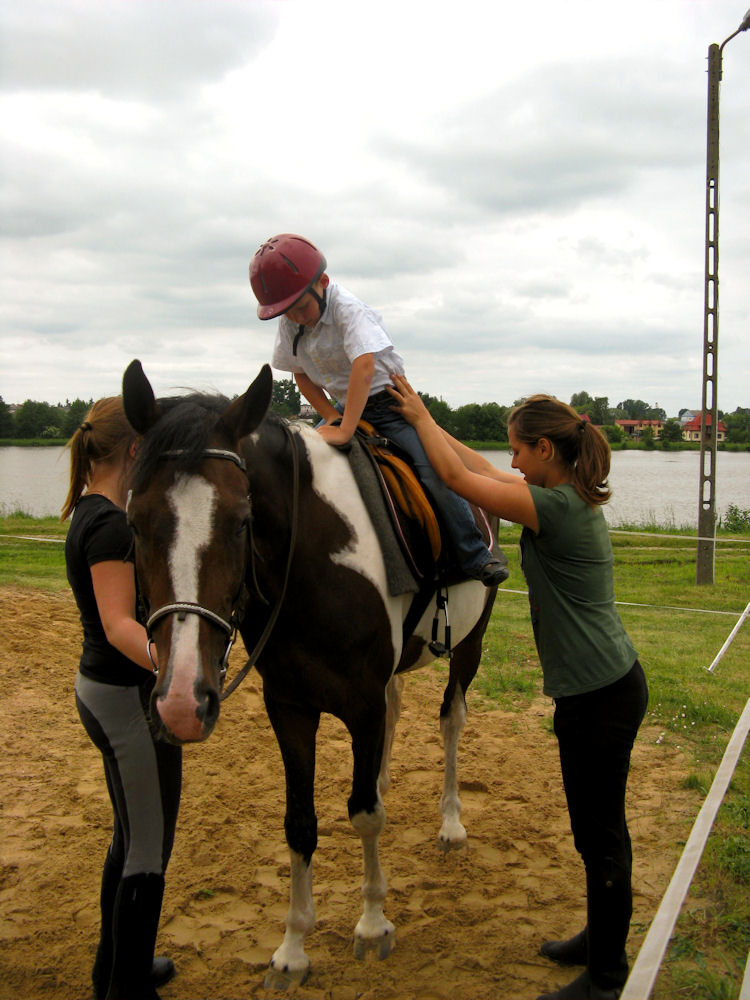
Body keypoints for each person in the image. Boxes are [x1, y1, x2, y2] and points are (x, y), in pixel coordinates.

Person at [387, 377, 648, 1000]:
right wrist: (429, 424)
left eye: (519, 451)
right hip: (597, 690)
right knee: (594, 831)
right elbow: (477, 468)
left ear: (545, 450)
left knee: (601, 834)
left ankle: (606, 977)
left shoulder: (554, 508)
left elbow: (458, 480)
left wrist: (419, 420)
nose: (512, 461)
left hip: (600, 698)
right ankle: (599, 940)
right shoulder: (561, 494)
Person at [249, 233, 507, 586]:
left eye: (301, 308)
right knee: (297, 466)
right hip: (345, 407)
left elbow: (364, 367)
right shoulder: (292, 321)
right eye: (287, 312)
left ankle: (474, 554)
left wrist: (344, 430)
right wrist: (332, 416)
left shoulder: (348, 309)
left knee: (433, 472)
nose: (297, 318)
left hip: (391, 405)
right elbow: (300, 374)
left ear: (323, 282)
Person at [62, 398, 182, 1000]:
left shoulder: (90, 511)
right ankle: (126, 988)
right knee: (147, 846)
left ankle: (114, 968)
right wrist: (175, 666)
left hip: (107, 691)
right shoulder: (109, 525)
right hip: (123, 699)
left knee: (130, 836)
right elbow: (117, 625)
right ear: (135, 451)